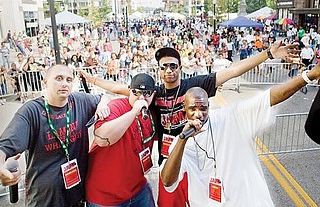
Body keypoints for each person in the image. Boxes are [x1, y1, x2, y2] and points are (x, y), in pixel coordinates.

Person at [80, 43, 297, 207]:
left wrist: (267, 54)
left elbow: (233, 71)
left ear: (180, 68)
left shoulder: (194, 86)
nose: (169, 70)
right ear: (159, 70)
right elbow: (122, 90)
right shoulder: (152, 94)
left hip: (198, 159)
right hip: (171, 162)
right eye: (164, 66)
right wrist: (97, 90)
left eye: (173, 66)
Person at [161, 62, 320, 206]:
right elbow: (167, 181)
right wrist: (183, 139)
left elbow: (270, 97)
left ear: (209, 106)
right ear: (184, 108)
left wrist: (309, 75)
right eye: (192, 109)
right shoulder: (180, 141)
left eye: (203, 108)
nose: (198, 114)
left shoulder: (230, 117)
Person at [0, 64, 110, 207]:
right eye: (59, 78)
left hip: (76, 195)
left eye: (69, 80)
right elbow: (5, 146)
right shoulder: (31, 111)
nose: (65, 83)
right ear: (45, 82)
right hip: (45, 199)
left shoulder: (79, 101)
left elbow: (104, 97)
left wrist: (102, 104)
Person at [85, 73, 156, 207]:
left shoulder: (150, 111)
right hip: (106, 198)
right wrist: (134, 112)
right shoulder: (116, 107)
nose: (141, 97)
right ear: (129, 91)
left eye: (147, 93)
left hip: (138, 189)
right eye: (136, 92)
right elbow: (102, 139)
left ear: (153, 94)